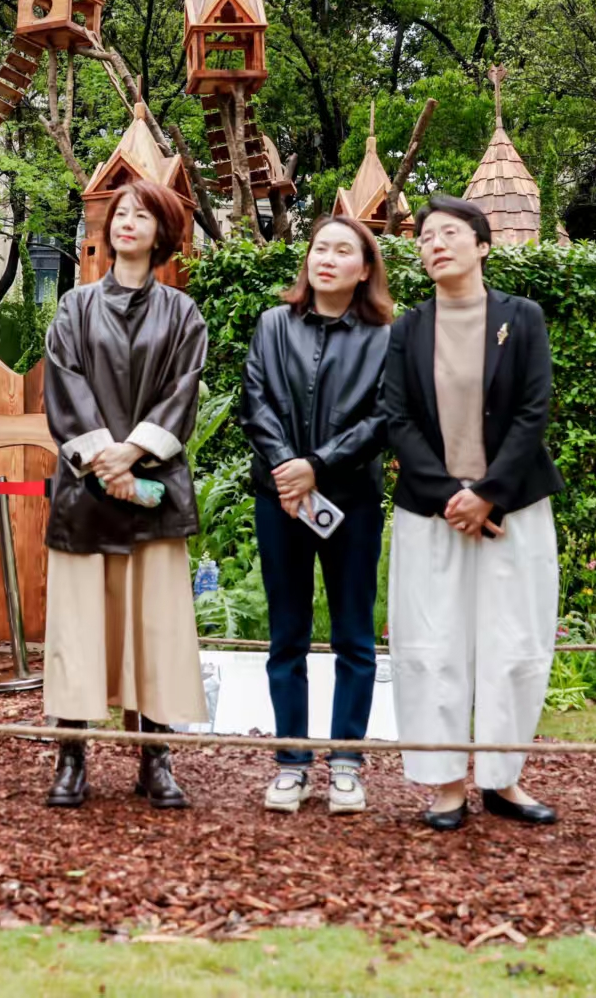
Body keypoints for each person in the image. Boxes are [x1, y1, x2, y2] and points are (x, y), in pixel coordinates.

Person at [383, 196, 564, 832]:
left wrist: (488, 492)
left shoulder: (524, 318)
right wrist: (449, 496)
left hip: (513, 508)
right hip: (430, 514)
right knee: (431, 645)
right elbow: (397, 419)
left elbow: (532, 412)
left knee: (515, 643)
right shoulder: (407, 329)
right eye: (426, 236)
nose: (435, 244)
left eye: (451, 233)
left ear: (483, 245)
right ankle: (445, 785)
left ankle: (504, 778)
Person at [41, 179, 209, 811]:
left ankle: (156, 758)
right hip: (86, 494)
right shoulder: (74, 308)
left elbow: (182, 391)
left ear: (162, 232)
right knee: (78, 629)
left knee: (156, 629)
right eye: (120, 214)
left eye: (142, 215)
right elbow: (63, 386)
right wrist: (101, 459)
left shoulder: (181, 314)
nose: (127, 223)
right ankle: (72, 756)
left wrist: (130, 453)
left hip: (152, 491)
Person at [242, 216, 391, 815]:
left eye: (342, 251)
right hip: (279, 498)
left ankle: (348, 764)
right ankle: (292, 763)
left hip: (350, 501)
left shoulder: (386, 336)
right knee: (288, 636)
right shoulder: (274, 324)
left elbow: (385, 418)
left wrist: (319, 466)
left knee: (354, 636)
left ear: (364, 268)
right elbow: (257, 401)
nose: (327, 258)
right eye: (319, 248)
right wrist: (288, 469)